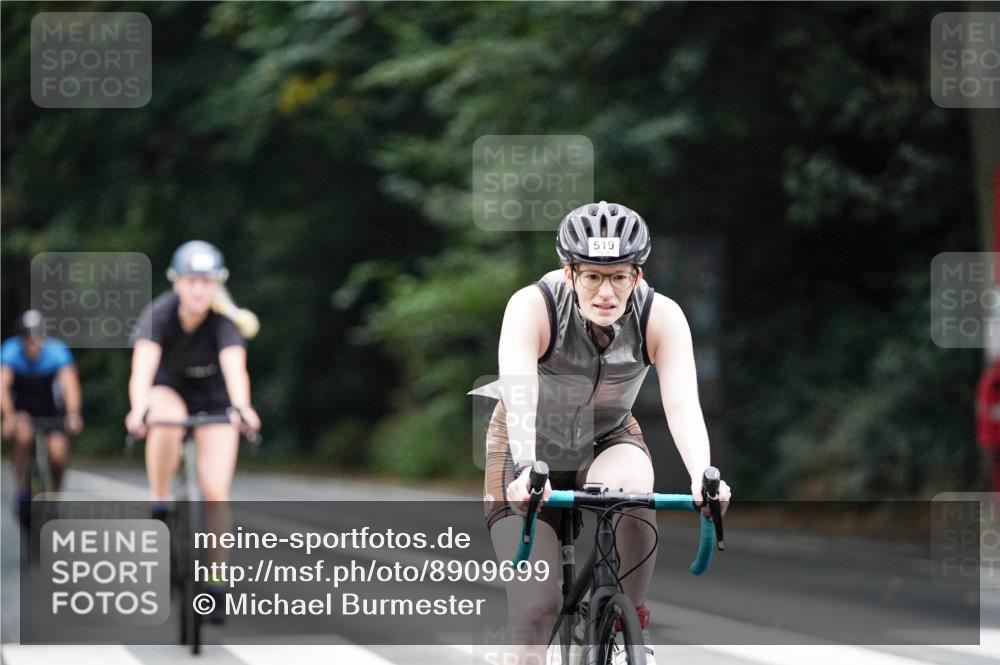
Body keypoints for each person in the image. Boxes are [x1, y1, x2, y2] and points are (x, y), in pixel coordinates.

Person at [481, 201, 732, 664]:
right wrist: (525, 467)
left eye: (618, 277)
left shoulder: (660, 316)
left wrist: (703, 476)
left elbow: (682, 404)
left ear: (638, 275)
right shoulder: (534, 307)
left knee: (632, 494)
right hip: (528, 443)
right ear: (570, 272)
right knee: (536, 611)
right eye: (593, 276)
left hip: (610, 436)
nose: (605, 292)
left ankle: (625, 626)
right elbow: (519, 394)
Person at [125, 240, 260, 615]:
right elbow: (142, 370)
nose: (199, 289)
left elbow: (236, 370)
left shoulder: (224, 322)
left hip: (214, 400)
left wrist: (243, 408)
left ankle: (216, 579)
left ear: (217, 283)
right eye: (191, 281)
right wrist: (138, 409)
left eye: (206, 281)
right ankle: (160, 501)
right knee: (162, 414)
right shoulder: (159, 314)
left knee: (216, 493)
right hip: (169, 391)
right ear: (176, 282)